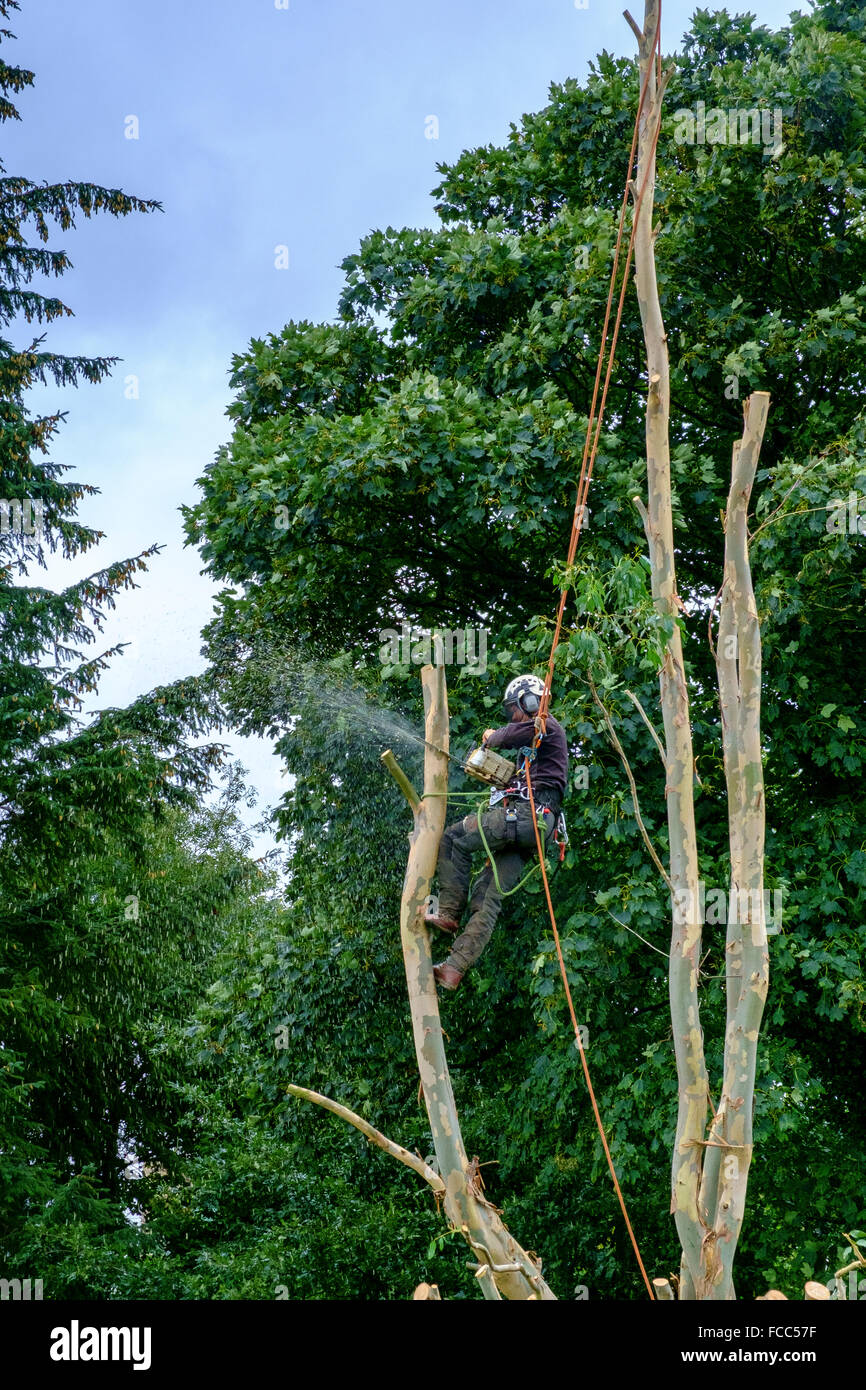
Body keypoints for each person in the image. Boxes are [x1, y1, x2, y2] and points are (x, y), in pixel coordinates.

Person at [425, 674, 568, 990]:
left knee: (453, 838)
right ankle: (453, 968)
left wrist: (492, 737)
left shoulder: (546, 725)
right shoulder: (533, 751)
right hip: (531, 828)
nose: (512, 716)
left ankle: (447, 911)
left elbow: (516, 732)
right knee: (487, 898)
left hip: (528, 818)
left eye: (514, 709)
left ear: (528, 702)